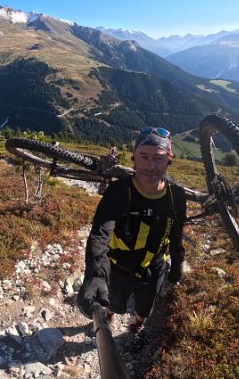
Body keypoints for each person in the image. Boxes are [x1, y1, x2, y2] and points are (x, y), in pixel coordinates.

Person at [77, 127, 187, 333]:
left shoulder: (177, 196)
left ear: (169, 159)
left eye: (159, 158)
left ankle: (138, 323)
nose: (150, 165)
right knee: (114, 302)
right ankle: (109, 315)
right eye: (143, 157)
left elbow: (176, 232)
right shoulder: (120, 190)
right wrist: (96, 275)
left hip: (154, 269)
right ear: (134, 158)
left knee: (145, 308)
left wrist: (177, 263)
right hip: (119, 267)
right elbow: (100, 233)